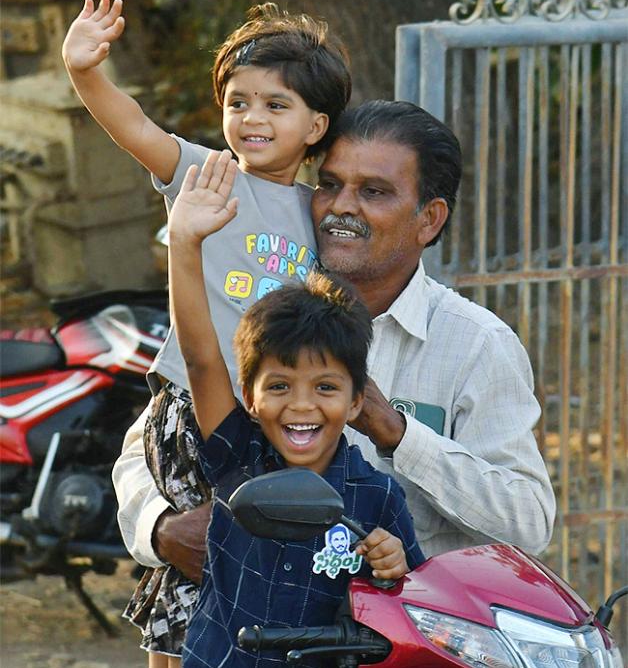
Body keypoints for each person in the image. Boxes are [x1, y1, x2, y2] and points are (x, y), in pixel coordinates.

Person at [62, 0, 352, 668]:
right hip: (192, 405)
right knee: (186, 559)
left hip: (262, 419)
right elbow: (134, 129)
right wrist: (85, 70)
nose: (252, 119)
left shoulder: (322, 215)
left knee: (231, 573)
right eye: (237, 102)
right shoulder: (207, 172)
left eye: (275, 105)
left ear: (316, 126)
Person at [115, 100, 555, 585]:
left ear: (429, 219)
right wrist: (162, 528)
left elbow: (528, 522)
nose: (341, 206)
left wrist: (397, 432)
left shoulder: (475, 344)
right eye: (329, 184)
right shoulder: (269, 308)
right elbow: (148, 444)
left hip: (405, 639)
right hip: (262, 634)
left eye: (374, 191)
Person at [164, 147, 424, 668]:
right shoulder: (236, 456)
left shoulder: (375, 494)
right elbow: (199, 357)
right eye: (279, 385)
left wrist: (393, 570)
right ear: (250, 394)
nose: (302, 405)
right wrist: (187, 244)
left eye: (325, 387)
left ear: (356, 395)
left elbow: (407, 622)